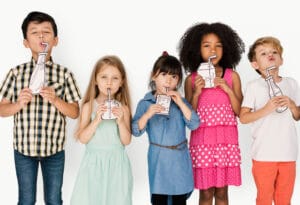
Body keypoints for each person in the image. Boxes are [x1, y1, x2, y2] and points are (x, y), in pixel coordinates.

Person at [0, 11, 81, 204]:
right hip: (23, 150)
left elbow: (75, 112)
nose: (41, 36)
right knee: (26, 200)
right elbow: (1, 109)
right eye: (35, 32)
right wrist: (18, 103)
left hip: (54, 150)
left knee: (54, 200)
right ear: (26, 42)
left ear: (55, 40)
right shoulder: (16, 73)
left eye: (46, 32)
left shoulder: (64, 74)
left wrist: (56, 100)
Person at [178, 22, 245, 205]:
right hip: (202, 142)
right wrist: (197, 93)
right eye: (206, 45)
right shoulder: (192, 79)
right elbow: (188, 116)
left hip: (225, 141)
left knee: (222, 193)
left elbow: (240, 112)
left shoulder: (232, 76)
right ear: (197, 49)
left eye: (218, 45)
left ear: (226, 48)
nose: (213, 50)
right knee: (206, 194)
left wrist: (228, 90)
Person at [131, 52, 200, 205]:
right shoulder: (145, 103)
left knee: (179, 200)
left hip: (179, 160)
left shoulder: (180, 102)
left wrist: (181, 103)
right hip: (159, 160)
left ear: (178, 81)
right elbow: (135, 131)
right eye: (163, 74)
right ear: (153, 76)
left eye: (174, 76)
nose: (168, 80)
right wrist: (148, 114)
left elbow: (194, 123)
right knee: (159, 199)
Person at [240, 36, 300, 205]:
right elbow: (244, 117)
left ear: (281, 59)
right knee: (264, 198)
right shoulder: (254, 86)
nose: (270, 55)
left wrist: (293, 105)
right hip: (264, 155)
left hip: (288, 153)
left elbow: (297, 116)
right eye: (264, 53)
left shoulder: (292, 84)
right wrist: (266, 109)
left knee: (284, 199)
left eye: (274, 52)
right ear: (255, 65)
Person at [70, 55, 133, 205]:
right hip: (94, 163)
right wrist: (96, 120)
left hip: (117, 164)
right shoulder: (88, 107)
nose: (109, 82)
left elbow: (126, 140)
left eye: (115, 78)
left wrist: (120, 122)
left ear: (122, 82)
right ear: (95, 80)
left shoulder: (123, 108)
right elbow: (83, 139)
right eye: (104, 77)